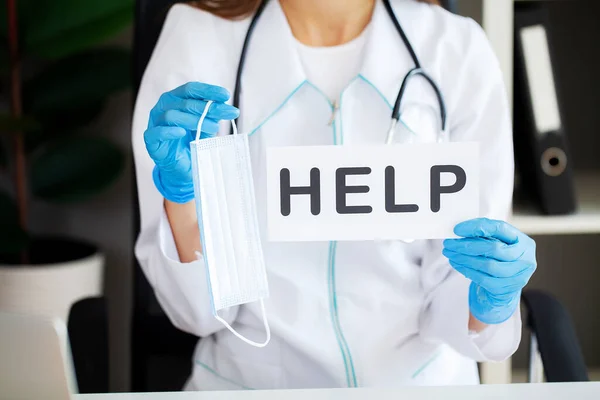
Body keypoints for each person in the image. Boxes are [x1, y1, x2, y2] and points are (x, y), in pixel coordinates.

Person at [132, 0, 537, 390]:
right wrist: (182, 198)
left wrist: (490, 298)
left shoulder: (456, 47)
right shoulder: (197, 37)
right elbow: (198, 313)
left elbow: (456, 298)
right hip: (250, 384)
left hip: (420, 384)